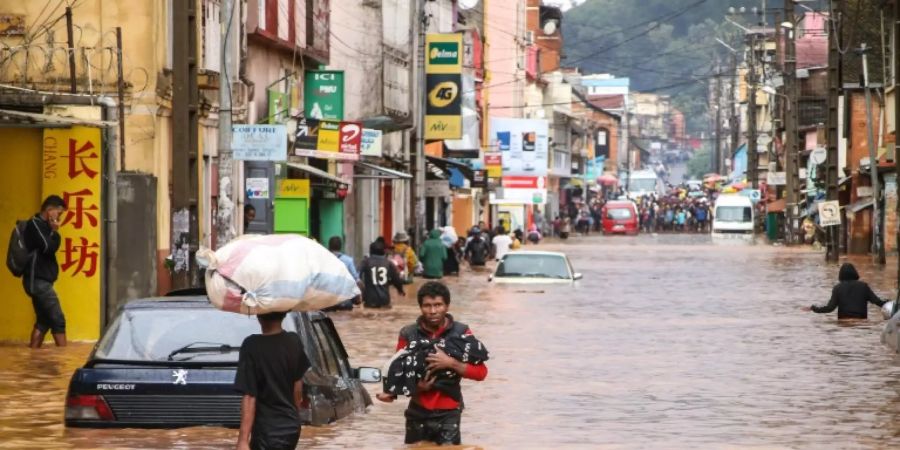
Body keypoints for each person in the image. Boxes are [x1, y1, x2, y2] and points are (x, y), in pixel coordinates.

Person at [375, 282, 488, 446]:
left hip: (449, 412)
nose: (433, 311)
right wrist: (396, 391)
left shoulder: (461, 333)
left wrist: (450, 363)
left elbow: (481, 373)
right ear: (420, 307)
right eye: (427, 306)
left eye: (438, 305)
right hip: (417, 411)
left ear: (447, 306)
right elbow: (400, 372)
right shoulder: (408, 333)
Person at [235, 311, 311, 450]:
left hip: (266, 430)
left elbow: (249, 396)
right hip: (291, 428)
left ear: (258, 315)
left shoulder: (251, 345)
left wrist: (243, 440)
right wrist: (295, 416)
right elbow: (297, 386)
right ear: (283, 314)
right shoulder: (293, 341)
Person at [24, 195, 67, 348]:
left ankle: (32, 354)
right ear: (50, 211)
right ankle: (65, 361)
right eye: (59, 213)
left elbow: (53, 245)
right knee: (58, 319)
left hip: (41, 281)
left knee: (43, 321)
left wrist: (53, 231)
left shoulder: (46, 227)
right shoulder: (34, 225)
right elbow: (48, 247)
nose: (59, 217)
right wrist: (54, 231)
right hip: (37, 281)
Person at [808, 263, 886, 319]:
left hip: (844, 322)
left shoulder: (837, 288)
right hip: (861, 322)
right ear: (855, 273)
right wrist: (891, 304)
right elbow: (878, 302)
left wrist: (814, 308)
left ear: (841, 274)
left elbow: (830, 308)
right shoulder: (864, 286)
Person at [359, 241, 406, 308]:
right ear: (383, 252)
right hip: (385, 300)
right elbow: (397, 280)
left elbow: (357, 278)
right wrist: (400, 290)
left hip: (370, 300)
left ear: (370, 251)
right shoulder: (389, 263)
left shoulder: (365, 262)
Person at [324, 236, 361, 311]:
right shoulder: (348, 260)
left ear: (329, 246)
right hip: (345, 302)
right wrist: (359, 298)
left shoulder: (322, 260)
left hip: (327, 303)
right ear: (341, 247)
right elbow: (357, 281)